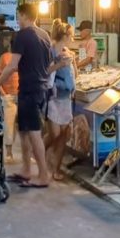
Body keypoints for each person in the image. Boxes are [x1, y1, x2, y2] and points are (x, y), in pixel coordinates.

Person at [0, 2, 53, 188]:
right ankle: (26, 169)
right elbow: (47, 63)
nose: (17, 19)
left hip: (29, 89)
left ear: (25, 15)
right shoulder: (44, 35)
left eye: (18, 15)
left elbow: (12, 66)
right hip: (41, 88)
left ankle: (43, 175)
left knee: (33, 133)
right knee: (24, 130)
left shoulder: (23, 36)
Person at [45, 20, 76, 182]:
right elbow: (45, 72)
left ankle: (56, 169)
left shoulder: (67, 52)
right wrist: (60, 63)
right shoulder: (50, 51)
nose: (73, 37)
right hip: (52, 96)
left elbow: (72, 74)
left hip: (65, 97)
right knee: (55, 133)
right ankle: (39, 154)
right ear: (65, 35)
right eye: (72, 34)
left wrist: (72, 64)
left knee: (64, 134)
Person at [0, 49, 19, 163]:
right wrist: (3, 93)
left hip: (23, 95)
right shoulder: (5, 57)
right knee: (9, 124)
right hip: (9, 97)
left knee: (23, 126)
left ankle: (25, 153)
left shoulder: (25, 57)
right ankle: (9, 153)